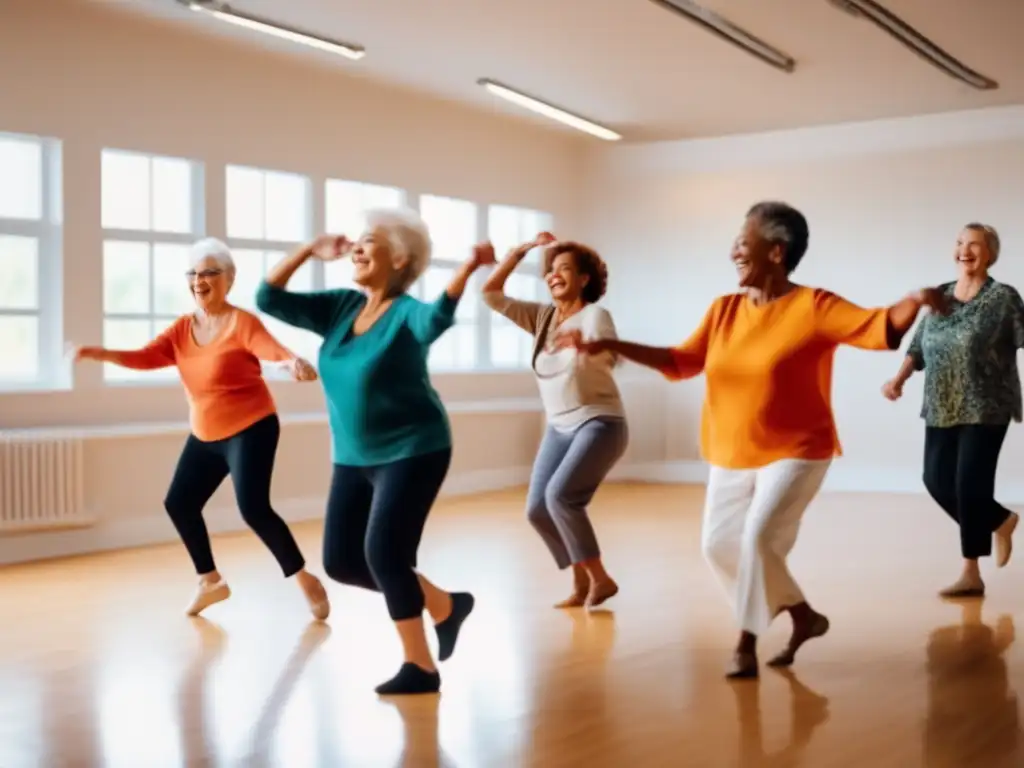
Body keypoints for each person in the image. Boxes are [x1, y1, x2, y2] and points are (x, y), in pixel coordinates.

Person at [560, 201, 947, 679]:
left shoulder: (814, 307)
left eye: (743, 243)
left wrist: (916, 298)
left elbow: (878, 327)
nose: (733, 252)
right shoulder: (724, 310)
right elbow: (683, 362)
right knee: (718, 545)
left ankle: (744, 644)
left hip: (798, 449)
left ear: (776, 252)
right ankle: (803, 617)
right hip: (731, 449)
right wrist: (612, 346)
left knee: (760, 539)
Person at [255, 208, 488, 696]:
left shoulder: (405, 313)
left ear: (399, 258)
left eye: (369, 242)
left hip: (414, 450)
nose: (356, 249)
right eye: (356, 242)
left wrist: (465, 271)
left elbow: (436, 319)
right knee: (341, 561)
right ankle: (445, 605)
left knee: (385, 554)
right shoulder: (340, 308)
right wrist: (308, 249)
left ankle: (420, 668)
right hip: (353, 457)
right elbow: (267, 298)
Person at [72, 238, 330, 621]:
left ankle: (304, 578)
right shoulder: (182, 330)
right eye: (193, 273)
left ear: (229, 279)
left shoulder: (242, 322)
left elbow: (270, 349)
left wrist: (293, 362)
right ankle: (210, 581)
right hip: (206, 433)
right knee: (179, 503)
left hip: (252, 427)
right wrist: (103, 354)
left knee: (253, 508)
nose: (199, 280)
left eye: (209, 272)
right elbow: (147, 357)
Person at [481, 234, 627, 609]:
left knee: (561, 496)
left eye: (565, 270)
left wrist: (585, 346)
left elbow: (611, 352)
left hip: (599, 422)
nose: (554, 276)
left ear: (584, 280)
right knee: (537, 509)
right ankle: (581, 585)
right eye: (550, 270)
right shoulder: (543, 317)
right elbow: (491, 295)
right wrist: (518, 252)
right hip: (559, 427)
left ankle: (601, 579)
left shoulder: (595, 315)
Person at [882, 223, 1021, 598]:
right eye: (960, 243)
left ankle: (971, 572)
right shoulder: (940, 296)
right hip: (941, 404)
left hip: (987, 404)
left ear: (990, 253)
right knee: (935, 479)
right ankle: (1001, 521)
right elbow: (919, 346)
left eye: (975, 245)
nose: (965, 250)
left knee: (969, 485)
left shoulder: (1004, 298)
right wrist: (899, 379)